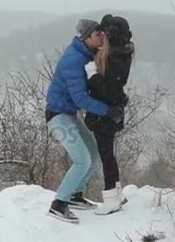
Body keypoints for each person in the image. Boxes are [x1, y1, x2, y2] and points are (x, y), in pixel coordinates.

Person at [45, 19, 124, 224]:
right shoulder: (73, 59)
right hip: (57, 117)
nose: (102, 36)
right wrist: (108, 110)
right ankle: (58, 204)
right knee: (82, 159)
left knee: (92, 152)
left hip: (69, 114)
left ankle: (75, 195)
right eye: (98, 33)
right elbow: (81, 98)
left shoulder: (86, 55)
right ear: (87, 37)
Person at [84, 14, 134, 215]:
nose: (102, 36)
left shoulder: (115, 58)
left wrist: (92, 75)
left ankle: (111, 198)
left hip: (105, 115)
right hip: (110, 113)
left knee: (106, 156)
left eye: (105, 33)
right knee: (108, 154)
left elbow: (109, 91)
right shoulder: (121, 53)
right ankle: (117, 194)